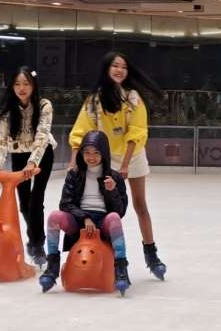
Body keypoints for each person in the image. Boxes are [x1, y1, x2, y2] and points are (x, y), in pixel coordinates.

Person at [69, 51, 167, 280]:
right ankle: (110, 256)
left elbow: (137, 131)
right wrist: (75, 159)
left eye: (123, 66)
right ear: (106, 69)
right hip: (106, 158)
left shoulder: (133, 97)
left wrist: (124, 166)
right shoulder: (94, 100)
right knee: (107, 209)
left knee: (140, 204)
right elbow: (81, 131)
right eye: (115, 65)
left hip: (132, 156)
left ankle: (151, 252)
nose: (119, 70)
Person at [39, 131, 131, 295]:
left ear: (104, 153)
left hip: (103, 221)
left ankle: (121, 270)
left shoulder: (114, 177)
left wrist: (112, 191)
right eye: (87, 152)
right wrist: (85, 217)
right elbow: (65, 204)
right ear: (81, 153)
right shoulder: (74, 174)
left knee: (115, 218)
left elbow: (120, 211)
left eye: (96, 153)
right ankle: (52, 267)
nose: (91, 157)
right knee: (54, 217)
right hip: (79, 219)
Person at [0, 67, 56, 267]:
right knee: (24, 203)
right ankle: (34, 239)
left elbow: (42, 136)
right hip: (18, 154)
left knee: (36, 200)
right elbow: (0, 137)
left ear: (33, 86)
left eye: (26, 84)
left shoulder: (44, 105)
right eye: (17, 84)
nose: (21, 88)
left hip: (42, 155)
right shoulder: (7, 109)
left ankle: (37, 245)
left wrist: (33, 162)